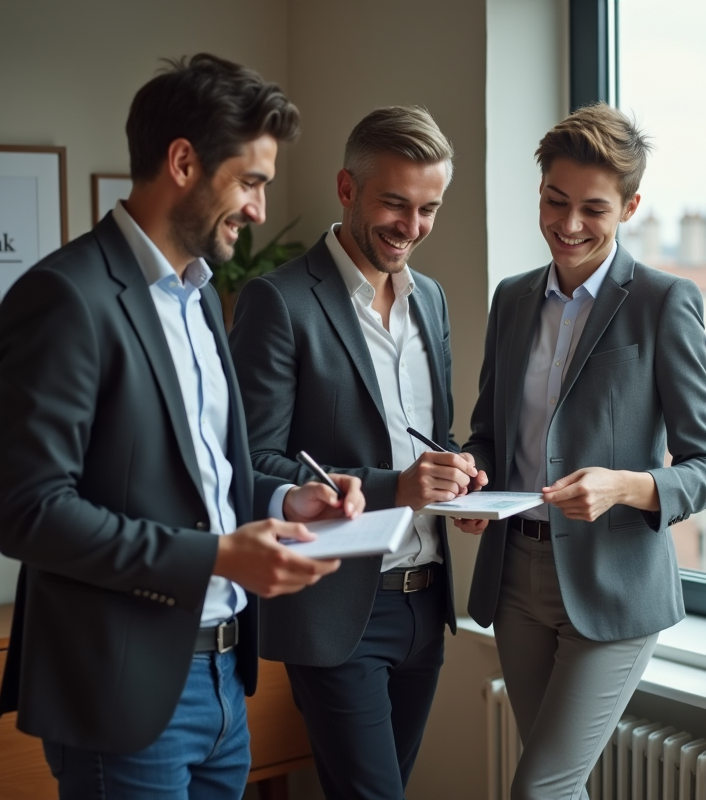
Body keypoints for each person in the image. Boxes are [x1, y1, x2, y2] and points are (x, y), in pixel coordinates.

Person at [0, 54, 364, 800]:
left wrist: (288, 505)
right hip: (125, 693)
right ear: (183, 162)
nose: (260, 208)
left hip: (226, 683)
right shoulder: (65, 298)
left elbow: (203, 483)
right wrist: (218, 556)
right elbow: (30, 514)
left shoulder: (198, 298)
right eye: (250, 181)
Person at [457, 103, 706, 800]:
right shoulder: (512, 300)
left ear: (630, 207)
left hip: (613, 586)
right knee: (559, 788)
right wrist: (471, 478)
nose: (568, 224)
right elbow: (488, 429)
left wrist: (626, 487)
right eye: (555, 200)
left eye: (593, 209)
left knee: (539, 790)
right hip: (515, 574)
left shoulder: (664, 303)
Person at [230, 105, 484, 800]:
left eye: (429, 208)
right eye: (395, 203)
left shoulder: (429, 300)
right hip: (340, 611)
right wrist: (397, 485)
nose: (412, 226)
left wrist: (460, 479)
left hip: (425, 606)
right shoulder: (277, 301)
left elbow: (434, 438)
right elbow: (250, 463)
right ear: (347, 190)